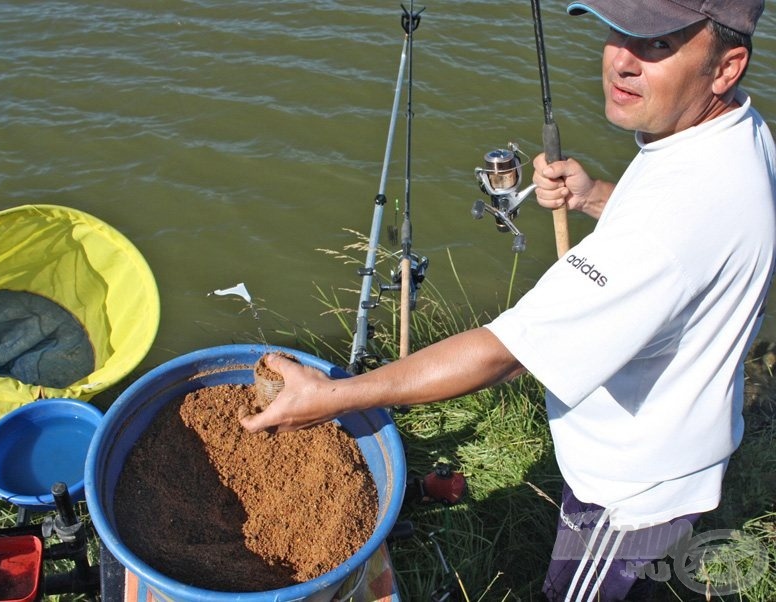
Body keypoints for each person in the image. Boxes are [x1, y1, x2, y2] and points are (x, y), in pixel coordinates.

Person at [241, 1, 776, 600]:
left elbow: (505, 352)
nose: (621, 61)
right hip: (685, 440)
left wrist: (332, 398)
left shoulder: (668, 225)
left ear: (726, 67)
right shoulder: (735, 137)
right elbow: (679, 235)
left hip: (631, 494)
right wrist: (598, 194)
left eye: (657, 45)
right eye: (619, 33)